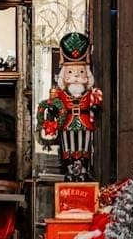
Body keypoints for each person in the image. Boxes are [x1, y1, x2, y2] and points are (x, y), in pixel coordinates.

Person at [38, 32, 102, 181]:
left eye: (80, 72)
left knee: (84, 145)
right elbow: (53, 106)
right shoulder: (60, 94)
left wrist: (95, 107)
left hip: (85, 122)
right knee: (68, 146)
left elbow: (96, 101)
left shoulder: (91, 93)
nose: (76, 76)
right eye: (71, 72)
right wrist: (52, 111)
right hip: (66, 122)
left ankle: (83, 169)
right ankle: (69, 168)